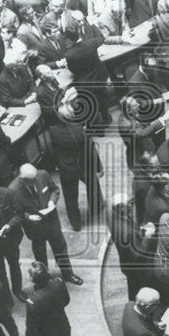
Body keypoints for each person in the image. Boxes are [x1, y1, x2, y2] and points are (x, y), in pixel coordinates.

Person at [9, 164, 83, 286]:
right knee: (40, 253)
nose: (33, 183)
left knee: (60, 249)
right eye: (30, 181)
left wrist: (51, 201)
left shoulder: (42, 174)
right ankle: (44, 278)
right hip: (34, 227)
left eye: (34, 179)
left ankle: (68, 274)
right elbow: (16, 211)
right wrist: (28, 217)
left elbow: (55, 189)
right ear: (22, 179)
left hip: (51, 221)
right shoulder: (13, 189)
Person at [49, 90, 104, 232]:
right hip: (84, 164)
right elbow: (91, 150)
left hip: (66, 168)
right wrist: (99, 167)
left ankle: (76, 223)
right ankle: (97, 207)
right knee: (93, 186)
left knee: (70, 197)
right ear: (72, 115)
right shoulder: (81, 131)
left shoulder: (53, 131)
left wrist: (57, 164)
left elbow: (53, 151)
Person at [23, 261, 75, 336]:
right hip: (62, 331)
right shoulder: (59, 282)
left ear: (33, 280)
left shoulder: (32, 302)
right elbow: (66, 301)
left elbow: (31, 327)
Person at [106, 193, 155, 300]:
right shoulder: (127, 233)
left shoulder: (112, 215)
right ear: (123, 209)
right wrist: (148, 236)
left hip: (126, 263)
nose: (132, 205)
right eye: (130, 203)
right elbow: (138, 255)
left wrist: (140, 231)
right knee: (139, 289)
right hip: (137, 269)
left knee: (133, 287)